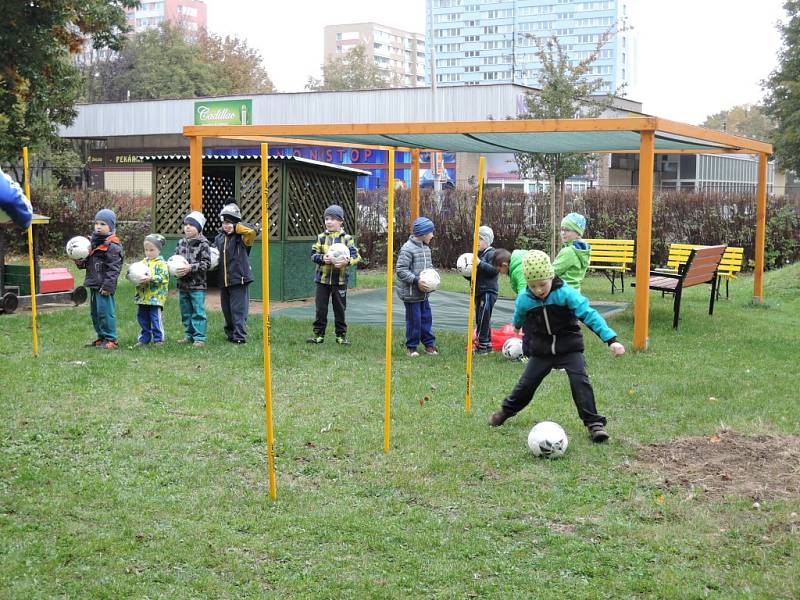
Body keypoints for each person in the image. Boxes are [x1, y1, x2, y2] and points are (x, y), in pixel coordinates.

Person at [488, 250, 625, 442]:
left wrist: (611, 340)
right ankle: (505, 412)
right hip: (541, 350)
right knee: (526, 384)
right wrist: (517, 326)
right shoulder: (525, 299)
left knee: (580, 381)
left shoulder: (566, 294)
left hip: (569, 347)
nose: (538, 290)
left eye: (542, 284)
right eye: (532, 285)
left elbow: (589, 314)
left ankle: (594, 423)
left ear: (551, 276)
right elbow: (519, 313)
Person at [306, 204, 361, 346]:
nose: (329, 222)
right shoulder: (321, 238)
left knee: (340, 309)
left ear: (341, 221)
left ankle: (341, 336)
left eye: (333, 219)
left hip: (340, 280)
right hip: (322, 280)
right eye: (326, 219)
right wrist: (323, 259)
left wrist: (346, 262)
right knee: (321, 309)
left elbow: (357, 257)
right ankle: (318, 335)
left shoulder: (347, 239)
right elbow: (313, 255)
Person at [76, 209, 123, 350]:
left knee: (105, 313)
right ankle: (101, 337)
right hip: (94, 284)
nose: (98, 226)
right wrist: (79, 261)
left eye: (103, 224)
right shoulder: (93, 243)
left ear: (111, 226)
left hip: (104, 287)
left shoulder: (113, 246)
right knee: (96, 313)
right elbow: (87, 263)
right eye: (96, 223)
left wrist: (108, 286)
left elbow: (114, 269)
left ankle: (111, 339)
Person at [214, 203, 258, 344]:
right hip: (224, 280)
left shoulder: (243, 238)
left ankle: (240, 336)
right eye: (224, 222)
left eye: (229, 222)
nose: (226, 225)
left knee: (238, 310)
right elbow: (214, 254)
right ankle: (230, 333)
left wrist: (237, 226)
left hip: (239, 279)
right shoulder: (219, 238)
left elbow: (252, 231)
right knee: (227, 310)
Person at [396, 216, 438, 357]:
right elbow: (401, 270)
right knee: (415, 320)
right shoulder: (408, 249)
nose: (432, 235)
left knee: (426, 318)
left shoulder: (426, 249)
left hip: (424, 293)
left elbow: (429, 267)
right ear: (423, 234)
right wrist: (416, 280)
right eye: (431, 232)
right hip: (411, 293)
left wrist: (433, 278)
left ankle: (429, 344)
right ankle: (411, 347)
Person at [470, 225, 511, 355]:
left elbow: (494, 271)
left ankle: (482, 345)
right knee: (480, 318)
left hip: (488, 292)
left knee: (483, 318)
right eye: (475, 239)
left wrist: (479, 263)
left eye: (480, 239)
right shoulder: (478, 255)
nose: (477, 242)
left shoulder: (492, 253)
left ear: (487, 241)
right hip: (478, 291)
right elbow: (476, 274)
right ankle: (486, 343)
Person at [175, 210, 210, 347]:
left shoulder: (203, 244)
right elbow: (175, 260)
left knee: (198, 312)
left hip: (197, 285)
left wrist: (191, 267)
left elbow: (206, 264)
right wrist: (174, 270)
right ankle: (189, 335)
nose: (187, 227)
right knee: (185, 311)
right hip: (183, 285)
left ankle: (199, 337)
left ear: (199, 228)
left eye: (192, 225)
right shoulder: (180, 243)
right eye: (186, 224)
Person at [133, 234, 169, 347]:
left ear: (159, 250)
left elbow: (164, 278)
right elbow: (136, 274)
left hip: (156, 297)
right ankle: (144, 338)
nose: (149, 253)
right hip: (142, 297)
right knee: (142, 318)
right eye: (146, 250)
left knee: (155, 318)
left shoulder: (161, 263)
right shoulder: (142, 263)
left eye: (152, 250)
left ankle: (159, 339)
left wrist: (151, 278)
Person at [553, 212, 591, 292]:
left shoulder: (568, 251)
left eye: (567, 230)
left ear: (577, 232)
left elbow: (552, 272)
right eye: (562, 229)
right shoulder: (583, 250)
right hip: (575, 291)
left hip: (562, 293)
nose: (563, 233)